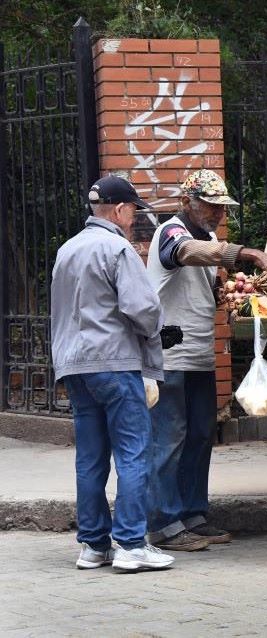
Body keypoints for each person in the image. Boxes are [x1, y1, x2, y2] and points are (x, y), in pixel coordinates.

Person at [146, 169, 267, 551]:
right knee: (168, 438)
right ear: (187, 202)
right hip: (170, 357)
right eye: (210, 204)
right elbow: (183, 254)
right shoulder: (171, 231)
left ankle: (191, 515)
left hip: (200, 355)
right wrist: (245, 253)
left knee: (201, 436)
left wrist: (234, 295)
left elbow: (205, 287)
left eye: (222, 207)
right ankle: (162, 524)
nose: (218, 213)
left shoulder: (207, 238)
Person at [51, 175, 174, 572]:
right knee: (133, 452)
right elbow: (141, 308)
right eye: (133, 210)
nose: (133, 217)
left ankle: (93, 546)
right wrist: (157, 330)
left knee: (90, 459)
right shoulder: (117, 248)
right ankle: (131, 543)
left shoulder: (67, 250)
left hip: (75, 366)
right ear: (120, 210)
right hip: (115, 364)